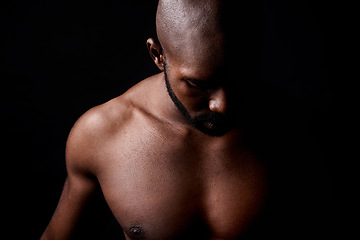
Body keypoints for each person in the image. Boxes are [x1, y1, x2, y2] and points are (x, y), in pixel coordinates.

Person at [41, 0, 269, 239]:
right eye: (197, 84)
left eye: (239, 76)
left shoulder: (295, 132)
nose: (221, 105)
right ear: (158, 55)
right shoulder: (101, 134)